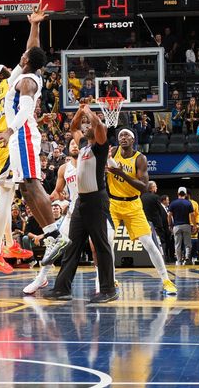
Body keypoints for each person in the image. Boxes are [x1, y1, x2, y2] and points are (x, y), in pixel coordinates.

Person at [0, 3, 69, 269]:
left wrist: (11, 129)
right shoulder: (23, 73)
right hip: (18, 136)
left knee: (33, 184)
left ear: (26, 62)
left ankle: (55, 235)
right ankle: (51, 236)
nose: (22, 56)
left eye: (25, 56)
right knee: (24, 189)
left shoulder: (27, 81)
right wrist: (35, 25)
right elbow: (31, 50)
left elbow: (25, 109)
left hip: (22, 134)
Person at [0, 3, 48, 273]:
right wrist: (35, 27)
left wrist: (34, 25)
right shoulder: (18, 81)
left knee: (8, 192)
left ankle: (8, 243)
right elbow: (29, 57)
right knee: (8, 195)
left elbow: (30, 54)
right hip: (9, 140)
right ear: (5, 74)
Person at [43, 103, 117, 303]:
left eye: (90, 127)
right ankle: (62, 289)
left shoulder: (101, 147)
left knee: (101, 246)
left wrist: (88, 112)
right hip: (81, 202)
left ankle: (109, 289)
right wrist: (79, 111)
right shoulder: (84, 144)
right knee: (71, 247)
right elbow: (73, 128)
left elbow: (100, 127)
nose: (87, 128)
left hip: (96, 201)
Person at [106, 127, 176, 295]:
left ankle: (166, 280)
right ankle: (111, 279)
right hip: (113, 204)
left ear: (133, 140)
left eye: (127, 135)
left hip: (133, 205)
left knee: (149, 244)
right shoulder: (112, 152)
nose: (123, 137)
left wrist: (120, 173)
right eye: (120, 135)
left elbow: (144, 187)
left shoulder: (140, 159)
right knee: (107, 241)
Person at [24, 137, 78, 294]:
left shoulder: (90, 163)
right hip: (74, 211)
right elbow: (57, 192)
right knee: (55, 246)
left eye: (77, 143)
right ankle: (41, 278)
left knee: (98, 248)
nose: (74, 146)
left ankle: (101, 282)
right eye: (72, 144)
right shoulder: (64, 168)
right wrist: (42, 201)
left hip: (93, 209)